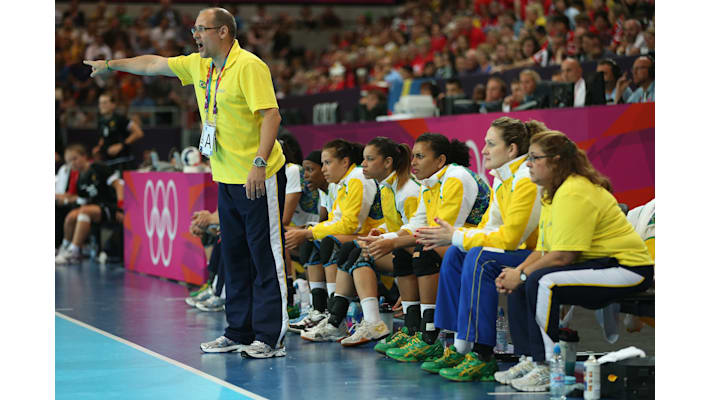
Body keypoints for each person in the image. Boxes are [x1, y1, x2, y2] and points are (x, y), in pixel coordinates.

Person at [84, 7, 289, 359]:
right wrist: (110, 64)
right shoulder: (200, 65)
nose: (195, 35)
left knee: (264, 257)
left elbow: (271, 114)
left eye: (201, 29)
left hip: (259, 176)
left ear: (223, 32)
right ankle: (238, 331)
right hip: (225, 176)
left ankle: (271, 337)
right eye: (193, 28)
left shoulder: (250, 66)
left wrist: (258, 162)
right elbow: (153, 64)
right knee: (234, 255)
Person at [494, 130, 654, 392]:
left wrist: (523, 275)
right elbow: (544, 250)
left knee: (542, 281)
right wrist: (517, 273)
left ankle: (547, 366)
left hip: (628, 268)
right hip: (600, 264)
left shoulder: (574, 191)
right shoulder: (551, 193)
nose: (528, 164)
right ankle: (529, 358)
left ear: (556, 160)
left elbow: (564, 256)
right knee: (526, 279)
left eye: (535, 158)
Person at [414, 117, 548, 382]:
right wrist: (457, 238)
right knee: (456, 253)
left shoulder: (525, 178)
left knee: (480, 258)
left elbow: (511, 239)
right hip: (518, 250)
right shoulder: (501, 178)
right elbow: (489, 226)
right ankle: (456, 345)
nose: (483, 150)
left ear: (511, 149)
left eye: (490, 144)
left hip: (538, 255)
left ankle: (482, 354)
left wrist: (457, 235)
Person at [361, 133, 491, 362]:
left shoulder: (456, 178)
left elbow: (444, 233)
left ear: (440, 161)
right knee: (403, 251)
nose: (413, 163)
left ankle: (429, 336)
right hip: (454, 242)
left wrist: (394, 241)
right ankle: (412, 328)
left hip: (470, 244)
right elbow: (417, 223)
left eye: (420, 156)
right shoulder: (428, 183)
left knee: (424, 251)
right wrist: (387, 238)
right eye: (413, 157)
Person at [301, 137, 420, 346]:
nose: (363, 164)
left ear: (387, 162)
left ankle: (353, 320)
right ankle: (338, 319)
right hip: (398, 245)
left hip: (414, 250)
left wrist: (385, 237)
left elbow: (415, 230)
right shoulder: (387, 187)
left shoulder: (407, 189)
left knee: (354, 250)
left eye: (369, 159)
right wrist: (380, 232)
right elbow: (397, 224)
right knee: (351, 249)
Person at [285, 140, 380, 333]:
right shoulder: (340, 183)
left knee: (330, 242)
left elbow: (351, 224)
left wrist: (309, 231)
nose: (324, 169)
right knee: (311, 244)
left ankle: (333, 313)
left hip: (371, 234)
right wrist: (310, 232)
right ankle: (319, 310)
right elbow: (335, 220)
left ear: (344, 162)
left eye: (327, 163)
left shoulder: (357, 178)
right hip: (360, 233)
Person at [55, 144, 124, 265]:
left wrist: (120, 207)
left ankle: (75, 251)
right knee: (72, 215)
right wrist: (65, 200)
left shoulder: (98, 167)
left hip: (111, 207)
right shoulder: (80, 179)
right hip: (94, 210)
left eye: (75, 158)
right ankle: (65, 248)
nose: (73, 163)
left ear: (84, 156)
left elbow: (118, 185)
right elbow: (82, 201)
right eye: (69, 162)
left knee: (84, 211)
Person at [92, 93, 144, 172]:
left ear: (113, 105)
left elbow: (138, 133)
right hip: (108, 162)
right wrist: (98, 148)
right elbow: (103, 137)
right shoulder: (101, 121)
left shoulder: (120, 119)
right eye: (100, 103)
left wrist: (121, 145)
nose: (102, 105)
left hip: (123, 162)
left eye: (105, 103)